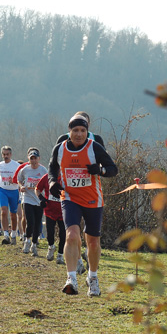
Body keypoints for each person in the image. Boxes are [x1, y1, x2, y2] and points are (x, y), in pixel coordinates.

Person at [48, 113, 118, 296]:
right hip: (70, 198)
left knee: (93, 242)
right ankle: (71, 278)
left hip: (93, 199)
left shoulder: (94, 147)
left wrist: (100, 170)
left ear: (87, 131)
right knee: (71, 235)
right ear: (69, 131)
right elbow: (52, 168)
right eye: (75, 130)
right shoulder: (60, 148)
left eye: (83, 130)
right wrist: (52, 182)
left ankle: (92, 277)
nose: (79, 134)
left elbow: (113, 169)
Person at [17, 148, 47, 257]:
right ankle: (27, 241)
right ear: (29, 159)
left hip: (38, 199)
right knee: (30, 222)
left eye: (35, 158)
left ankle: (34, 245)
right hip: (27, 198)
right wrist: (21, 187)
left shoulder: (43, 170)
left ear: (39, 159)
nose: (33, 161)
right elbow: (19, 180)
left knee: (37, 223)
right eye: (31, 158)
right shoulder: (24, 170)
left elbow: (47, 183)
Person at [0, 146, 20, 245]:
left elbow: (21, 178)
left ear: (11, 154)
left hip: (14, 191)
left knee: (13, 215)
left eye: (7, 154)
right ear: (2, 154)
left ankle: (13, 234)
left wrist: (14, 181)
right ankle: (5, 235)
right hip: (3, 190)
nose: (6, 156)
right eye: (4, 154)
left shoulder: (16, 165)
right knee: (4, 212)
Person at [36, 172, 66, 264]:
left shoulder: (67, 176)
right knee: (50, 232)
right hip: (49, 210)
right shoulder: (47, 177)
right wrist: (41, 198)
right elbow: (37, 189)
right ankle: (51, 246)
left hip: (64, 211)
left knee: (63, 234)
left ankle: (60, 255)